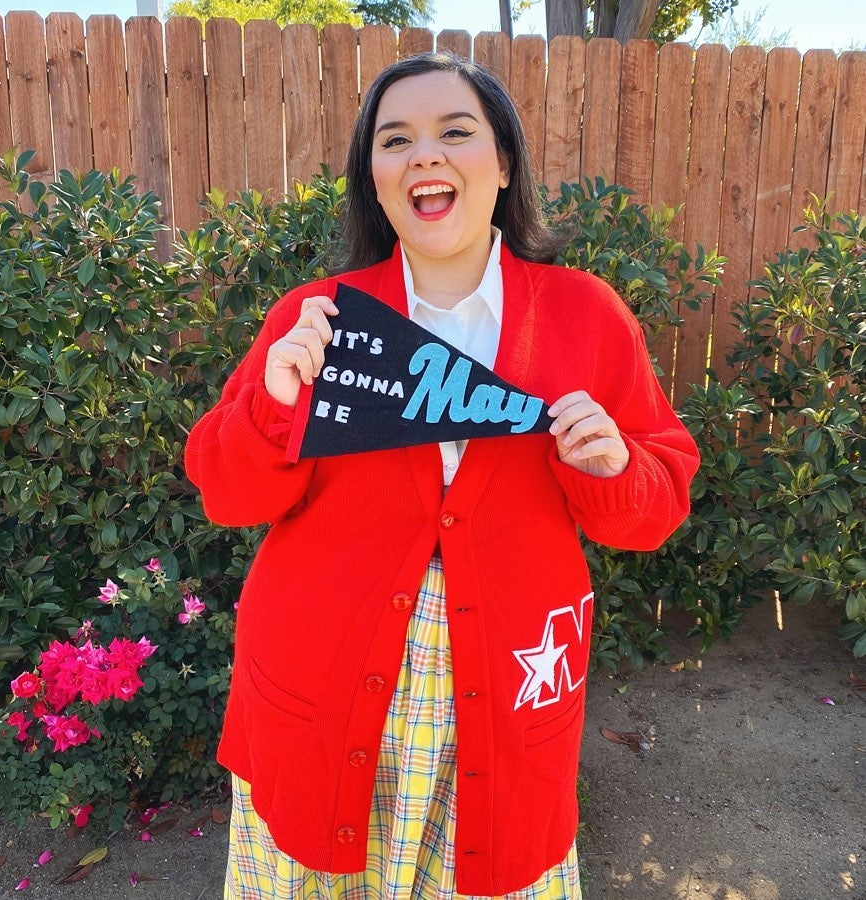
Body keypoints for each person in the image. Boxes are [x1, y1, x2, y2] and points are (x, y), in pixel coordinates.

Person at [185, 51, 700, 899]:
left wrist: (613, 469)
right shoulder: (319, 317)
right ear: (376, 180)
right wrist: (275, 405)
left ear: (503, 164)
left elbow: (654, 509)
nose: (424, 153)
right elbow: (229, 496)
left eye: (454, 131)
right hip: (317, 690)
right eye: (395, 140)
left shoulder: (586, 315)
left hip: (508, 692)